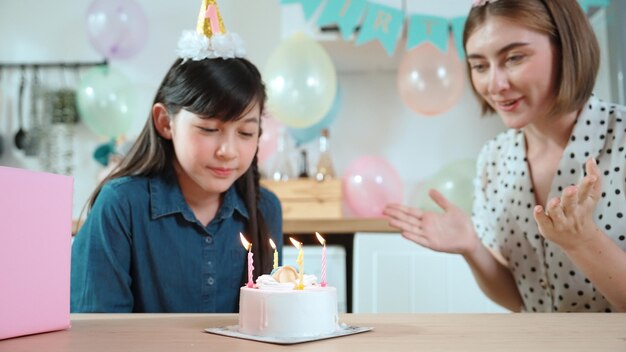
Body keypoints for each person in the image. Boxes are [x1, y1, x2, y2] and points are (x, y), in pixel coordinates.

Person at [384, 0, 626, 313]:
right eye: (480, 66)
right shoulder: (494, 160)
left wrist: (582, 242)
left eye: (514, 58)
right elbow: (519, 299)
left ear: (566, 49)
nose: (496, 85)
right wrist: (472, 246)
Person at [71, 0, 283, 313]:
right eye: (209, 129)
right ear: (165, 122)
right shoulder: (121, 205)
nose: (227, 151)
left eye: (246, 133)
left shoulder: (265, 209)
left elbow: (269, 322)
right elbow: (97, 329)